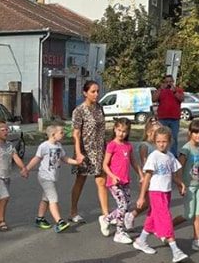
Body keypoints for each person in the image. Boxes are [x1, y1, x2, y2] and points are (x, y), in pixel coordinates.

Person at [133, 126, 189, 262]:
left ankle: (141, 240)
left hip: (166, 191)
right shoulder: (154, 157)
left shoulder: (170, 156)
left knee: (153, 216)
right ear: (154, 141)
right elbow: (147, 177)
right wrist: (141, 196)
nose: (161, 144)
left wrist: (180, 183)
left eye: (164, 141)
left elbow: (173, 175)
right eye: (158, 141)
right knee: (165, 218)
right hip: (156, 192)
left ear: (169, 142)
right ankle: (175, 250)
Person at [23, 124, 83, 233]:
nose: (63, 134)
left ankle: (40, 218)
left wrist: (76, 162)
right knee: (53, 198)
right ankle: (59, 222)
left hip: (53, 177)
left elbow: (64, 158)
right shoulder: (44, 146)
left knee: (46, 198)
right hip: (45, 176)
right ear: (53, 135)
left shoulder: (59, 146)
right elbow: (36, 158)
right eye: (61, 132)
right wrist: (26, 169)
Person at [69, 80, 109, 224]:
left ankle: (106, 215)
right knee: (80, 180)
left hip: (100, 150)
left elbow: (102, 130)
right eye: (93, 91)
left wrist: (107, 149)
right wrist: (79, 153)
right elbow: (76, 133)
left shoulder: (99, 108)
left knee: (101, 181)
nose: (96, 94)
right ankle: (73, 211)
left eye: (97, 91)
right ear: (85, 93)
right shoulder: (79, 110)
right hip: (85, 151)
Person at [99, 117, 142, 244]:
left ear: (128, 132)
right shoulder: (112, 145)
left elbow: (133, 161)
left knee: (126, 205)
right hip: (114, 182)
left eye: (124, 131)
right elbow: (105, 165)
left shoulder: (128, 146)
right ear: (114, 129)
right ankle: (119, 232)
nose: (121, 133)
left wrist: (140, 174)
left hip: (125, 181)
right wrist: (112, 176)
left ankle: (106, 219)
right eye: (119, 130)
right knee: (122, 205)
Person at [172, 120, 199, 253]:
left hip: (198, 185)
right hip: (188, 186)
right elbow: (179, 167)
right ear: (190, 133)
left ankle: (197, 240)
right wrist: (179, 183)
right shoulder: (186, 149)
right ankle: (167, 229)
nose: (198, 135)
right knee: (188, 215)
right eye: (195, 132)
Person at [156, 74, 185, 156]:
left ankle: (173, 155)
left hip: (174, 118)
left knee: (173, 138)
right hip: (162, 118)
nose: (168, 84)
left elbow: (181, 99)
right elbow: (154, 99)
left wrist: (174, 92)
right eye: (167, 82)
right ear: (164, 82)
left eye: (170, 82)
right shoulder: (161, 90)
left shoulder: (178, 90)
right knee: (161, 137)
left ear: (173, 82)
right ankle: (162, 154)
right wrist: (160, 90)